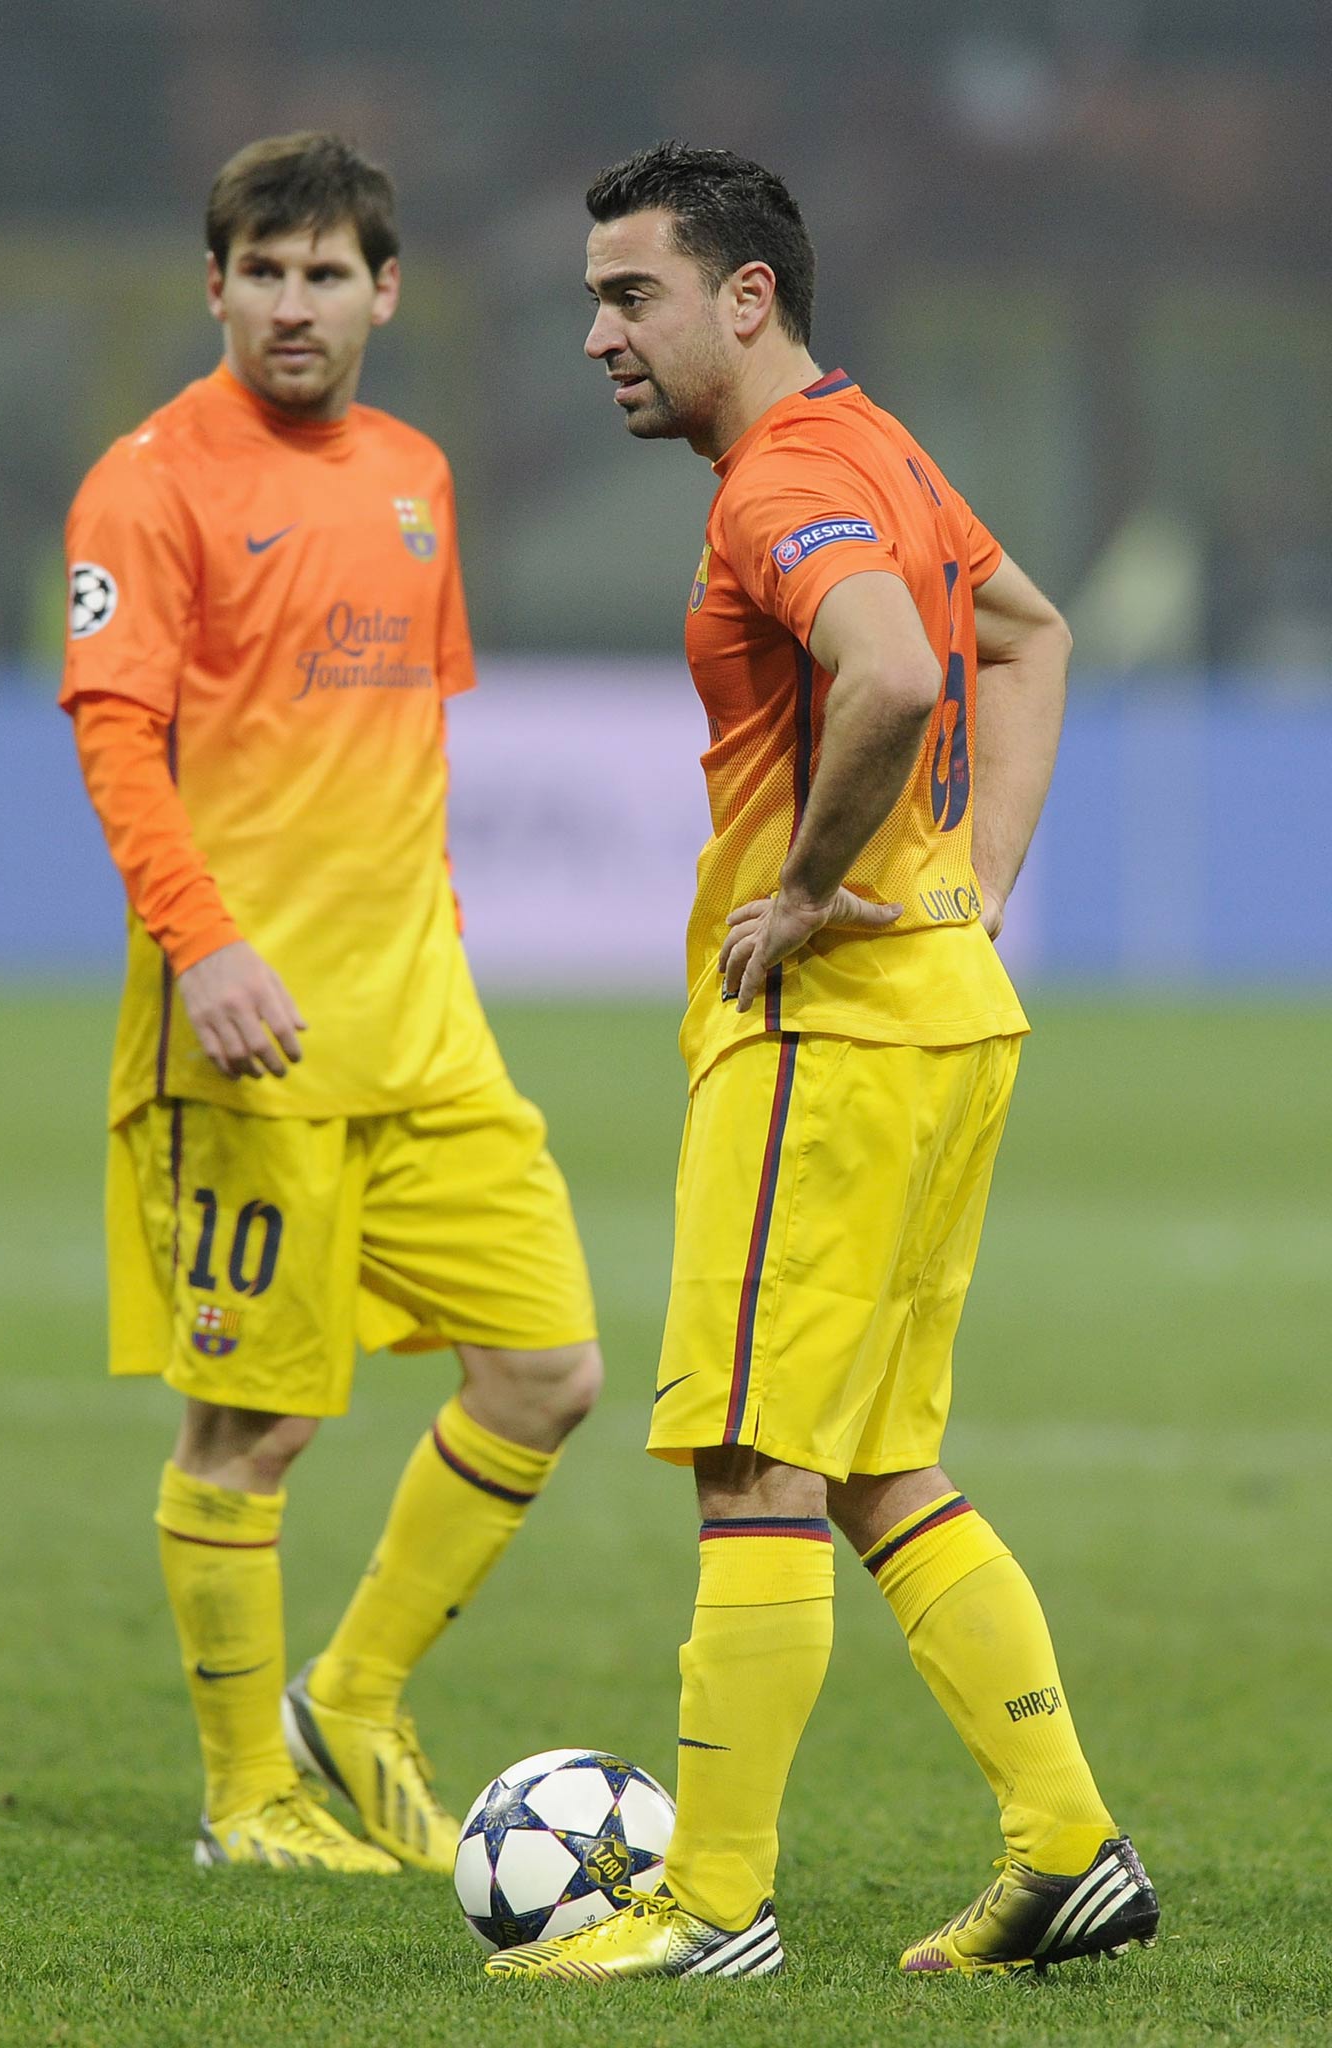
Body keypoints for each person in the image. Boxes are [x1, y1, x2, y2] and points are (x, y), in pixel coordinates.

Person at [486, 142, 1159, 1982]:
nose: (601, 334)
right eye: (595, 298)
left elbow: (896, 672)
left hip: (828, 1037)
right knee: (876, 1467)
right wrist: (974, 881)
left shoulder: (777, 478)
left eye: (632, 296)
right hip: (942, 1010)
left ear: (747, 297)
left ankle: (706, 1906)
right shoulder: (882, 445)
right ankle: (1065, 1849)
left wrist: (795, 897)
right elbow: (1026, 629)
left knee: (750, 1458)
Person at [60, 132, 601, 1878]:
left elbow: (409, 749)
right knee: (256, 1424)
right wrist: (205, 945)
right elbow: (114, 732)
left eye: (326, 273)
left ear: (387, 289)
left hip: (423, 1027)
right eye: (262, 272)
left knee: (545, 1370)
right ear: (214, 285)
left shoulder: (417, 476)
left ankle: (349, 1699)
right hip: (250, 1032)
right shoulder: (146, 483)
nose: (294, 304)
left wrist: (434, 950)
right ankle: (244, 1802)